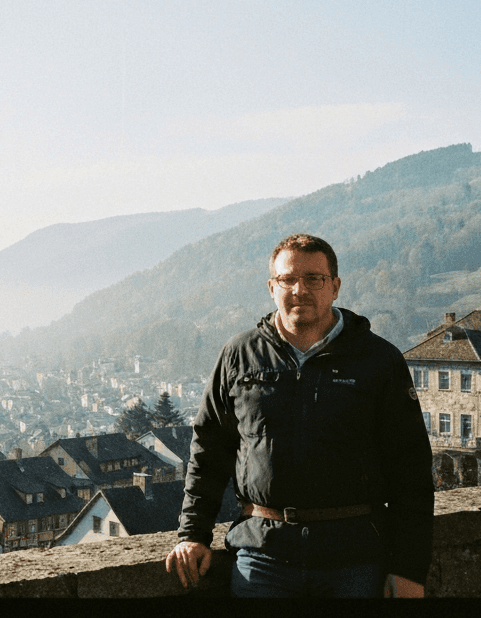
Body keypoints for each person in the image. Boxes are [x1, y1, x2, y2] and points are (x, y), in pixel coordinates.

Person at [163, 233, 433, 597]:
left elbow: (410, 468)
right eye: (287, 279)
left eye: (313, 279)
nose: (299, 289)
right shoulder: (239, 355)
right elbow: (209, 452)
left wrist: (409, 570)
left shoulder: (377, 360)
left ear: (335, 287)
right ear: (271, 287)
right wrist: (193, 535)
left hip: (353, 557)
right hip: (263, 555)